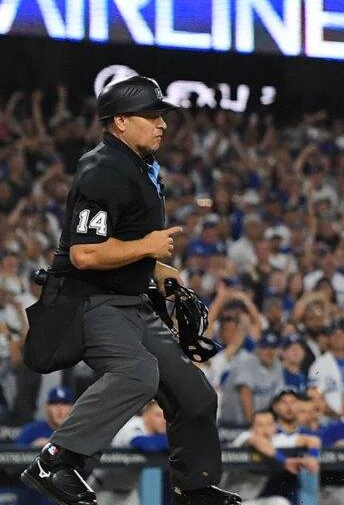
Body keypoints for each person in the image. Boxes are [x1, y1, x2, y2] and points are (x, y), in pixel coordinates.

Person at [18, 76, 239, 504]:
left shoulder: (138, 164)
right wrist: (147, 247)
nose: (162, 124)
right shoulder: (102, 170)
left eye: (161, 116)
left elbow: (121, 241)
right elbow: (85, 253)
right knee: (136, 373)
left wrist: (155, 268)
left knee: (193, 393)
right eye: (151, 116)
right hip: (90, 300)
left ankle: (194, 489)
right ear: (120, 121)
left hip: (131, 300)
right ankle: (55, 461)